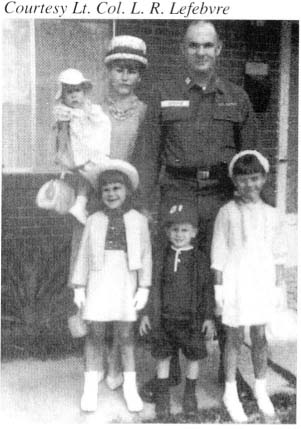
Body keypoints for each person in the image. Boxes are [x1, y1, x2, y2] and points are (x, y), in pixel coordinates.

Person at [132, 19, 258, 401]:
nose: (201, 52)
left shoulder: (237, 97)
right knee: (173, 280)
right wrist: (144, 207)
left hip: (221, 195)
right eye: (193, 45)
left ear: (218, 49)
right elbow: (148, 153)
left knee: (222, 280)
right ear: (183, 50)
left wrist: (248, 207)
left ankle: (228, 372)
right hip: (178, 193)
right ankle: (167, 374)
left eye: (207, 45)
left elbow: (250, 159)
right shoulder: (163, 95)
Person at [68, 35, 149, 391]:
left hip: (126, 198)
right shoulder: (90, 108)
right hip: (95, 198)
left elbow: (146, 158)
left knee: (121, 287)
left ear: (139, 75)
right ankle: (94, 361)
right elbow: (74, 150)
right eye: (119, 69)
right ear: (108, 71)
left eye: (132, 70)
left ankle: (117, 363)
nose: (124, 77)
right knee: (91, 281)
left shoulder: (146, 112)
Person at [71, 159, 152, 413]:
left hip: (126, 280)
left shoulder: (138, 219)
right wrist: (79, 286)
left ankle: (129, 388)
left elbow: (146, 254)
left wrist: (144, 287)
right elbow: (83, 253)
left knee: (126, 335)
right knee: (94, 335)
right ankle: (90, 389)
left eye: (117, 188)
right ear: (100, 193)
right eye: (106, 189)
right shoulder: (94, 219)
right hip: (98, 279)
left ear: (127, 191)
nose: (111, 194)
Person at [211, 150, 285, 423]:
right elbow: (218, 254)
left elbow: (279, 253)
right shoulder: (226, 212)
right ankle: (230, 391)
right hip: (236, 280)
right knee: (232, 336)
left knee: (259, 336)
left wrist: (279, 286)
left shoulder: (273, 214)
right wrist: (219, 289)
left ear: (263, 178)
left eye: (254, 178)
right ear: (234, 182)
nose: (249, 185)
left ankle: (260, 387)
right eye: (242, 180)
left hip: (261, 280)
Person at [139, 202, 215, 419]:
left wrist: (208, 317)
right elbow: (152, 287)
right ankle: (163, 397)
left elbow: (207, 290)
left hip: (191, 321)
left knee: (193, 357)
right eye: (174, 230)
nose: (179, 234)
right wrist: (146, 314)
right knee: (163, 357)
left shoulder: (200, 259)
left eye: (184, 230)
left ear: (194, 232)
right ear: (166, 231)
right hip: (164, 319)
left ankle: (189, 395)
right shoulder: (161, 257)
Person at [53, 68, 111, 224]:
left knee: (94, 175)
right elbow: (62, 134)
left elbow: (102, 123)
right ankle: (80, 204)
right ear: (62, 95)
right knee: (85, 175)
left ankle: (82, 204)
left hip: (90, 146)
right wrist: (61, 153)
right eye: (69, 92)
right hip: (78, 150)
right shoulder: (64, 112)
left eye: (77, 91)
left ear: (84, 92)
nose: (73, 95)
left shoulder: (90, 108)